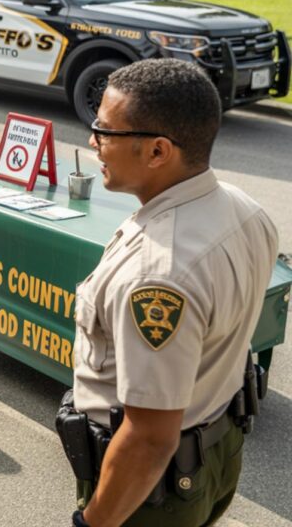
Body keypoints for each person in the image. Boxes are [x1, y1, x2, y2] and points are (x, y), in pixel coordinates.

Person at [64, 59, 278, 527]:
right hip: (215, 448)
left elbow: (148, 437)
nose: (92, 141)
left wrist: (93, 522)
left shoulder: (157, 274)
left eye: (104, 130)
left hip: (148, 493)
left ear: (158, 151)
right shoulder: (245, 210)